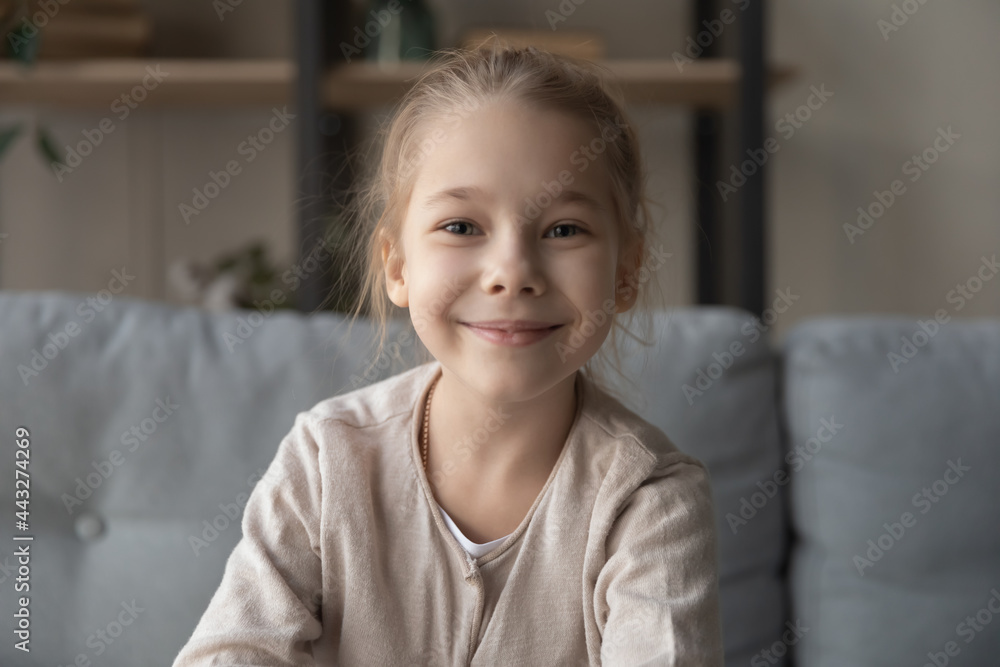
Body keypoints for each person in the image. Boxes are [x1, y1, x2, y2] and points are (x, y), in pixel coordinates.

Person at [173, 39, 724, 666]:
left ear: (627, 271)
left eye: (564, 229)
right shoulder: (327, 459)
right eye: (461, 227)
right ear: (398, 265)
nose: (511, 272)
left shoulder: (648, 498)